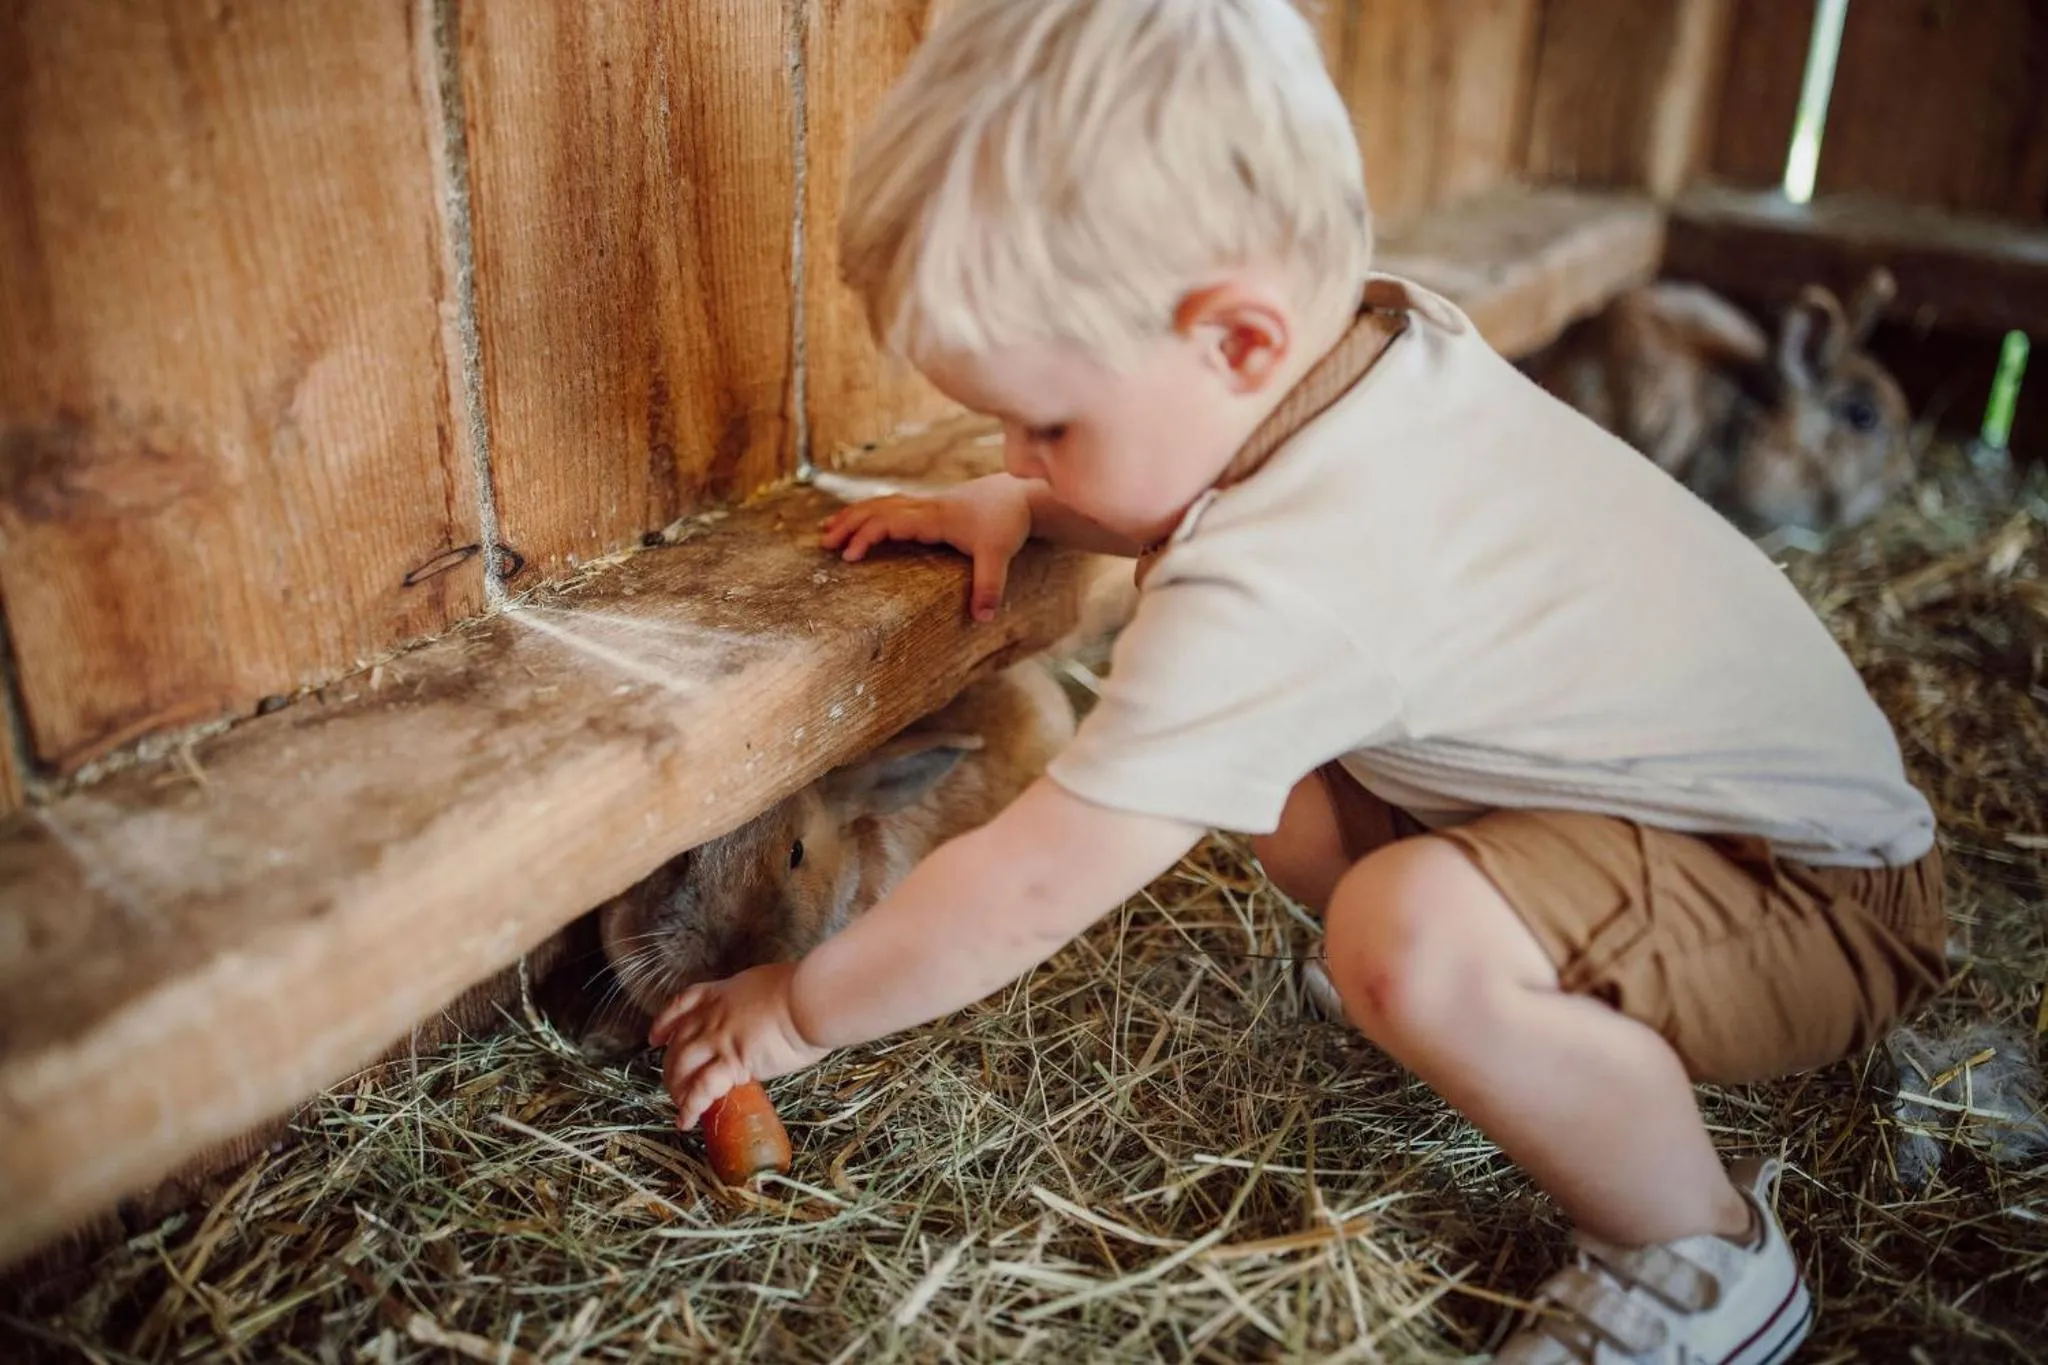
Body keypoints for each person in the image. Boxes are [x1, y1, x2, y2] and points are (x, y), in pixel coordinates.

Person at [645, 2, 1947, 1358]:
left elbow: (1031, 885)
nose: (1019, 449)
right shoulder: (1377, 367)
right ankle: (1479, 1010)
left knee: (1406, 933)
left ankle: (1700, 1257)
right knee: (1268, 784)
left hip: (1804, 898)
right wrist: (1026, 505)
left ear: (1241, 343)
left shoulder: (1283, 584)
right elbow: (1189, 495)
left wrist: (797, 1012)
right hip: (1706, 823)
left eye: (1048, 422)